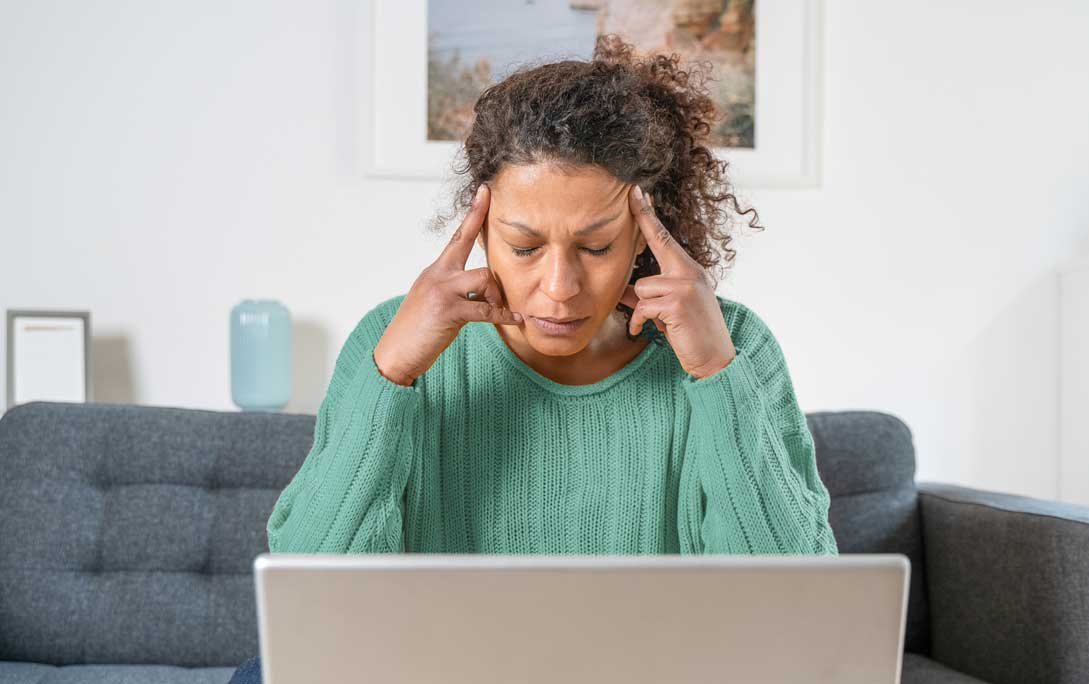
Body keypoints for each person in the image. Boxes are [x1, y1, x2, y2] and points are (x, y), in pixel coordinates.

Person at [228, 33, 837, 684]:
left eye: (596, 247)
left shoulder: (733, 346)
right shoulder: (394, 340)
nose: (559, 287)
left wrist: (717, 375)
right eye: (523, 247)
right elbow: (314, 603)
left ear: (643, 233)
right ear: (480, 228)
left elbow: (796, 613)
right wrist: (392, 377)